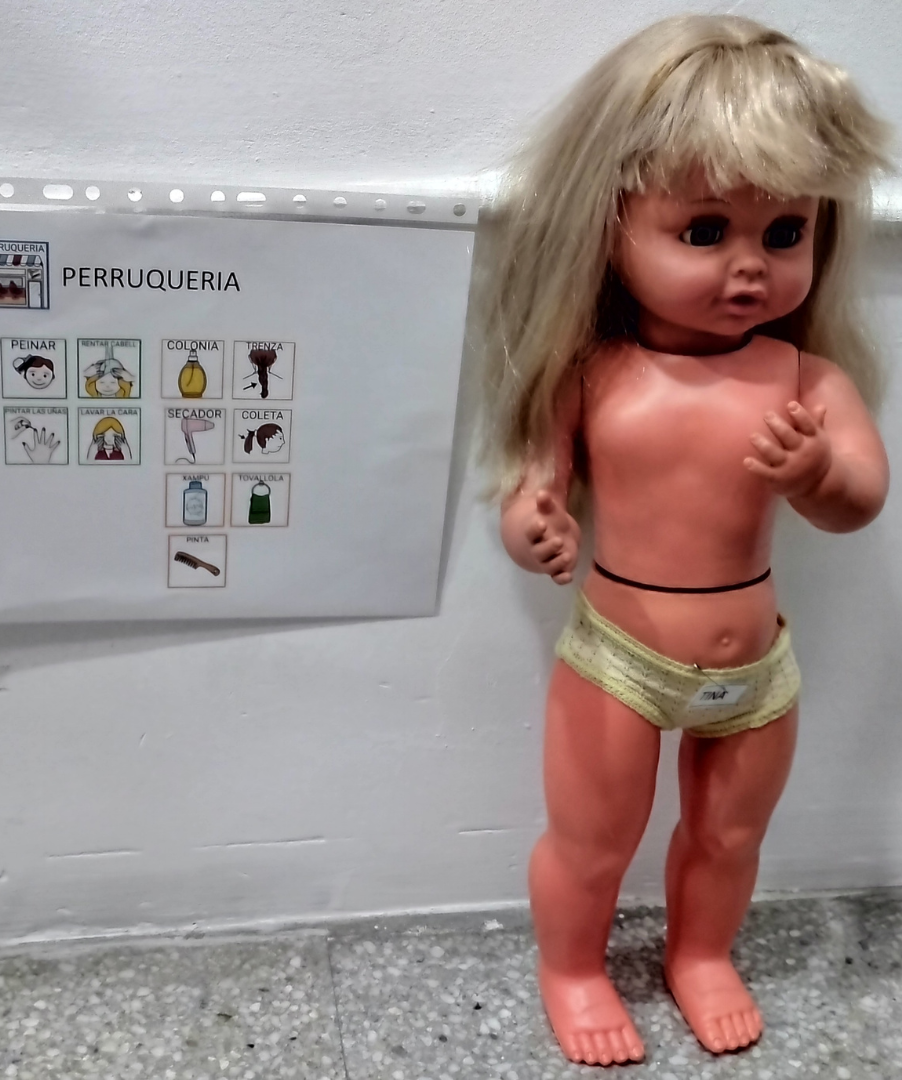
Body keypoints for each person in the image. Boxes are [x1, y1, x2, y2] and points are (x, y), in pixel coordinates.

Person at [479, 15, 891, 1066]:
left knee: (730, 836)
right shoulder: (590, 374)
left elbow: (859, 501)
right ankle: (573, 968)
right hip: (620, 659)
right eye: (704, 232)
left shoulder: (809, 381)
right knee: (594, 840)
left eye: (785, 233)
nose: (749, 268)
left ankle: (701, 954)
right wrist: (534, 527)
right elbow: (531, 489)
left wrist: (818, 474)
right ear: (611, 225)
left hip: (757, 671)